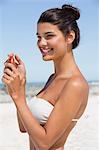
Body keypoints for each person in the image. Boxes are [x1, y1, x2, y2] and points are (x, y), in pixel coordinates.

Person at [2, 4, 89, 150]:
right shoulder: (52, 79)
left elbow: (44, 144)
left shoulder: (75, 85)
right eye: (39, 37)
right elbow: (24, 127)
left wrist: (18, 96)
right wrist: (19, 85)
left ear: (70, 37)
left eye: (49, 36)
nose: (41, 43)